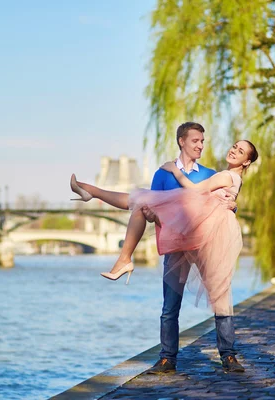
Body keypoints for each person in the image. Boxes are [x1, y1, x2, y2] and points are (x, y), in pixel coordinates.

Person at [70, 122, 258, 373]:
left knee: (221, 298)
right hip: (176, 243)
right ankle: (167, 358)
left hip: (205, 243)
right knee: (170, 305)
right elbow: (156, 212)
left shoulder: (210, 173)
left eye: (203, 141)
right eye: (195, 141)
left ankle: (229, 356)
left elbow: (225, 200)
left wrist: (232, 205)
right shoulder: (162, 175)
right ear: (182, 141)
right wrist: (150, 214)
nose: (201, 145)